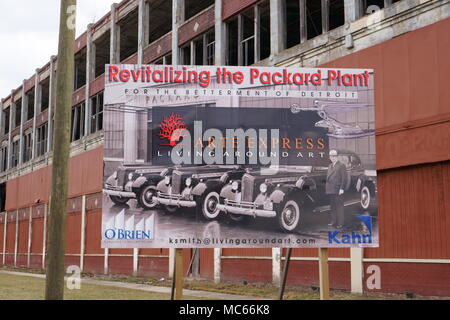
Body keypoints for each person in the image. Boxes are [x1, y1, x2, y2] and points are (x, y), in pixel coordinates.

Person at [326, 150, 347, 229]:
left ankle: (340, 223)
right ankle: (333, 221)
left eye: (334, 156)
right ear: (330, 157)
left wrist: (342, 188)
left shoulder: (341, 165)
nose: (332, 158)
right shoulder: (330, 165)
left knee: (339, 206)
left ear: (337, 156)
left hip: (338, 189)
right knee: (333, 206)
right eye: (331, 156)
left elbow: (344, 178)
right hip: (331, 189)